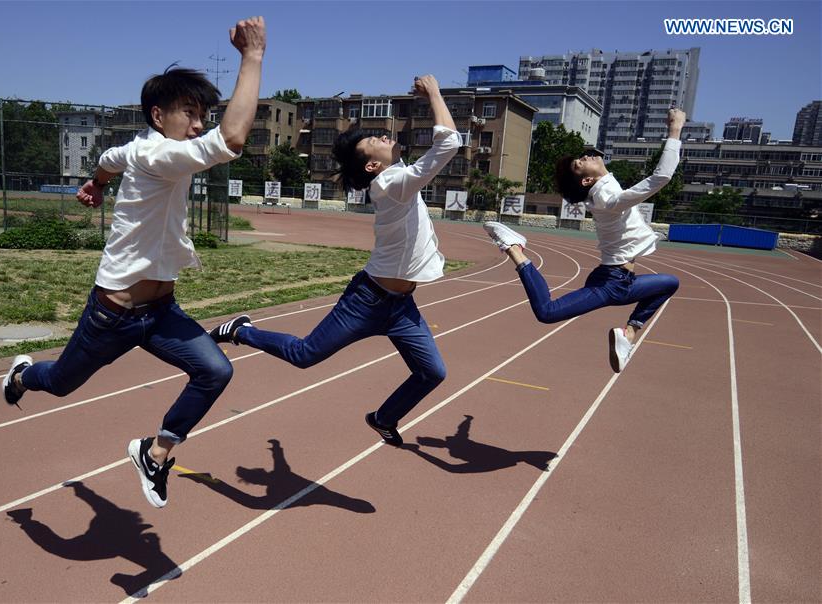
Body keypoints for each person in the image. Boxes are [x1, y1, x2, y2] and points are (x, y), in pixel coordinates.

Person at [0, 16, 267, 508]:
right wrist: (252, 57)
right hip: (114, 315)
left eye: (203, 113)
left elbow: (107, 157)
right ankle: (20, 375)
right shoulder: (159, 156)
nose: (199, 123)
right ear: (157, 115)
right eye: (190, 112)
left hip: (161, 312)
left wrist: (96, 184)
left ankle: (155, 451)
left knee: (215, 371)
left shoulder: (138, 151)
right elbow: (231, 140)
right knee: (59, 383)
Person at [211, 75, 461, 446]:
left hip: (401, 306)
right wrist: (435, 94)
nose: (383, 137)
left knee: (432, 372)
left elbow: (444, 144)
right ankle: (241, 331)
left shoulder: (401, 179)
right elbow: (450, 143)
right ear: (373, 167)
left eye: (379, 135)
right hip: (367, 302)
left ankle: (383, 417)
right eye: (375, 141)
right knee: (304, 354)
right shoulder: (391, 185)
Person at [483, 108, 686, 372]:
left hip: (622, 282)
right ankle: (514, 248)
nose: (586, 156)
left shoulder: (605, 192)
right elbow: (660, 178)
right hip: (611, 284)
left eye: (583, 156)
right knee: (546, 312)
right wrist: (674, 131)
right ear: (588, 178)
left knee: (670, 283)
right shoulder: (606, 198)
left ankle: (629, 336)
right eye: (580, 162)